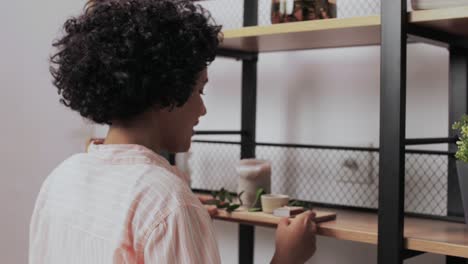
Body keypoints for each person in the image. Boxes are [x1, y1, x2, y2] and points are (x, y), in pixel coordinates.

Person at [29, 0, 317, 263]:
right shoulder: (168, 201)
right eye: (199, 91)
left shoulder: (60, 180)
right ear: (166, 93)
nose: (202, 109)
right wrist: (287, 258)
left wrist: (186, 227)